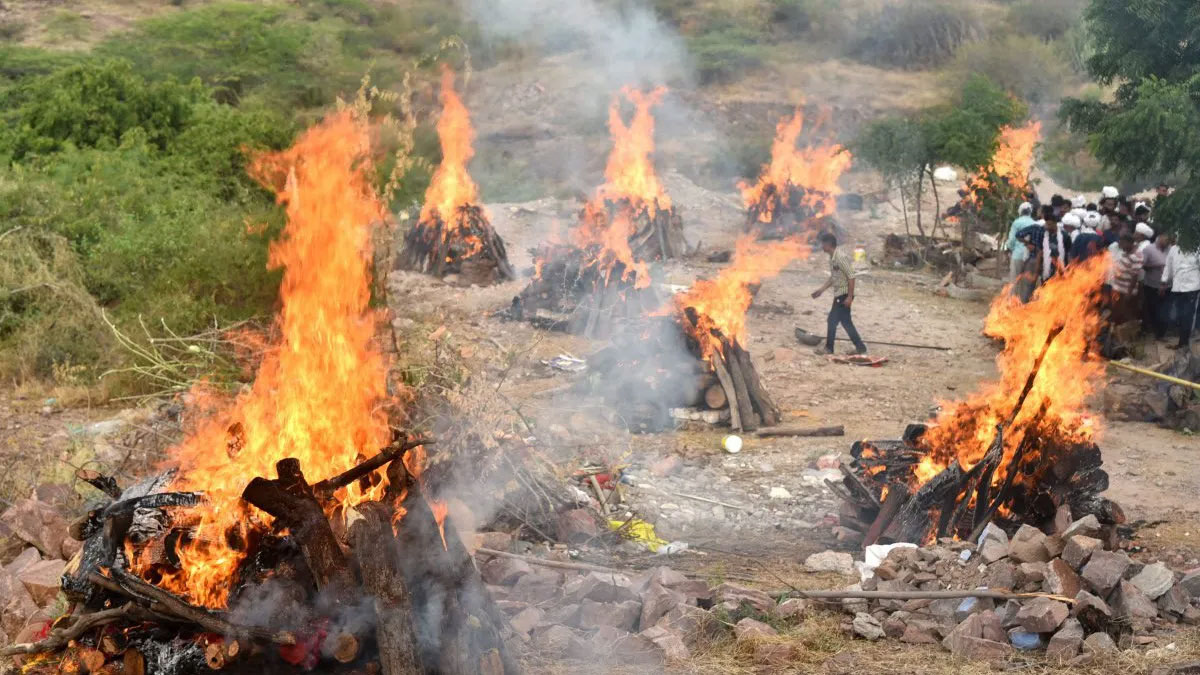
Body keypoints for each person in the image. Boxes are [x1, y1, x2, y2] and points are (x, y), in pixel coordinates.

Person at [811, 232, 867, 355]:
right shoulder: (832, 258)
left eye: (823, 244)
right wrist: (821, 290)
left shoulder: (840, 257)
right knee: (846, 322)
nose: (821, 247)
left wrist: (849, 297)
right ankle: (860, 347)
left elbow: (851, 276)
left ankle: (829, 349)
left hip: (844, 295)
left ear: (828, 244)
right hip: (839, 294)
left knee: (832, 320)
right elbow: (834, 277)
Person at [1162, 237, 1200, 349]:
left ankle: (1184, 344)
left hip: (1192, 287)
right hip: (1177, 287)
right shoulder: (1173, 249)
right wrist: (1164, 282)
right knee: (1178, 316)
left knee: (1188, 316)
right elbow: (1168, 266)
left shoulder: (1197, 248)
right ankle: (1182, 342)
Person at [1109, 232, 1144, 325]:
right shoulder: (1127, 252)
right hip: (1118, 288)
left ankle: (1127, 335)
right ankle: (1116, 333)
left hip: (1126, 291)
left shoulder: (1136, 256)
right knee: (1116, 313)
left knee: (1125, 314)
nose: (1121, 246)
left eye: (1122, 243)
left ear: (1129, 243)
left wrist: (1129, 293)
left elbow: (1134, 277)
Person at [1141, 233, 1170, 339]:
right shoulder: (1148, 249)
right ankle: (1149, 329)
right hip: (1151, 285)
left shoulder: (1170, 249)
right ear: (1159, 238)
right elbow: (1143, 266)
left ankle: (1160, 333)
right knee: (1152, 308)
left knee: (1164, 309)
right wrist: (1156, 266)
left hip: (1167, 286)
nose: (1167, 243)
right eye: (1165, 240)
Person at [1005, 202, 1036, 281]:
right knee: (1026, 283)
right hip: (1030, 257)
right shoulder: (1035, 223)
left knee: (1014, 282)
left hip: (1017, 255)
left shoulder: (1017, 222)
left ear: (1020, 211)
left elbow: (1011, 240)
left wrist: (1009, 249)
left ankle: (1012, 294)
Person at [1039, 206, 1069, 281]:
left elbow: (1069, 253)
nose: (1047, 226)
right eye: (1046, 224)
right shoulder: (1043, 235)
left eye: (1049, 224)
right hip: (1046, 271)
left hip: (1060, 270)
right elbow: (1040, 252)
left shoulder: (1064, 236)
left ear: (1055, 223)